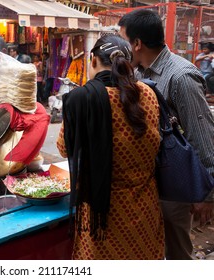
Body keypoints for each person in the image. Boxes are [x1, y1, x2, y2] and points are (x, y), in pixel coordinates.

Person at [57, 34, 164, 260]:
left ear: (93, 60)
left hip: (103, 215)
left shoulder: (82, 99)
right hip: (145, 209)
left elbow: (64, 148)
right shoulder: (147, 93)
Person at [118, 8, 214, 260]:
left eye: (124, 40)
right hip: (150, 181)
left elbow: (203, 136)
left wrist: (207, 195)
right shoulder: (138, 73)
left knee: (176, 252)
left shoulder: (181, 76)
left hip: (177, 184)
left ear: (137, 43)